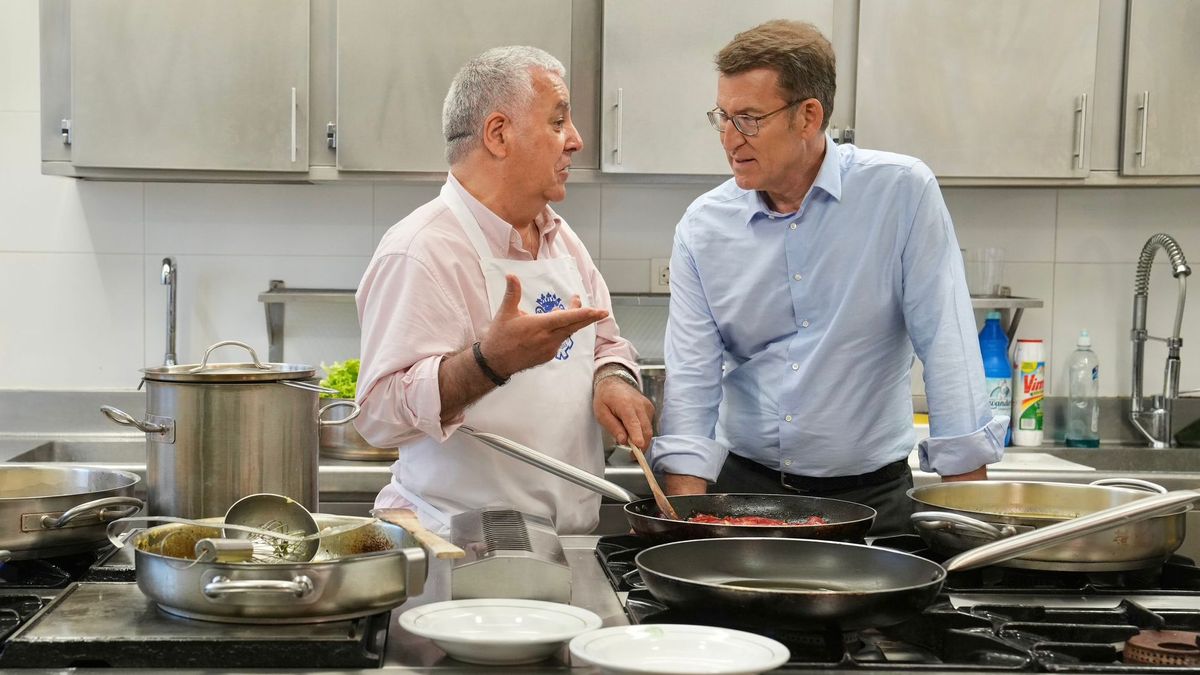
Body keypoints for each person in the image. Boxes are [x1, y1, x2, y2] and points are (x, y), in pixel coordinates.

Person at [650, 20, 1007, 536]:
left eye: (748, 119)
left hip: (875, 499)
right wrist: (687, 523)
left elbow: (947, 345)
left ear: (808, 116)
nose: (730, 139)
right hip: (746, 493)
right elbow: (692, 382)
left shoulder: (901, 193)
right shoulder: (703, 228)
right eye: (722, 118)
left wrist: (971, 525)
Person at [355, 46, 653, 556]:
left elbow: (605, 343)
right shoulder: (421, 250)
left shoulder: (561, 239)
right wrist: (488, 363)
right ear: (498, 134)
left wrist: (613, 379)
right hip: (455, 549)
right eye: (558, 121)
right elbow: (378, 415)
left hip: (568, 544)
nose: (577, 141)